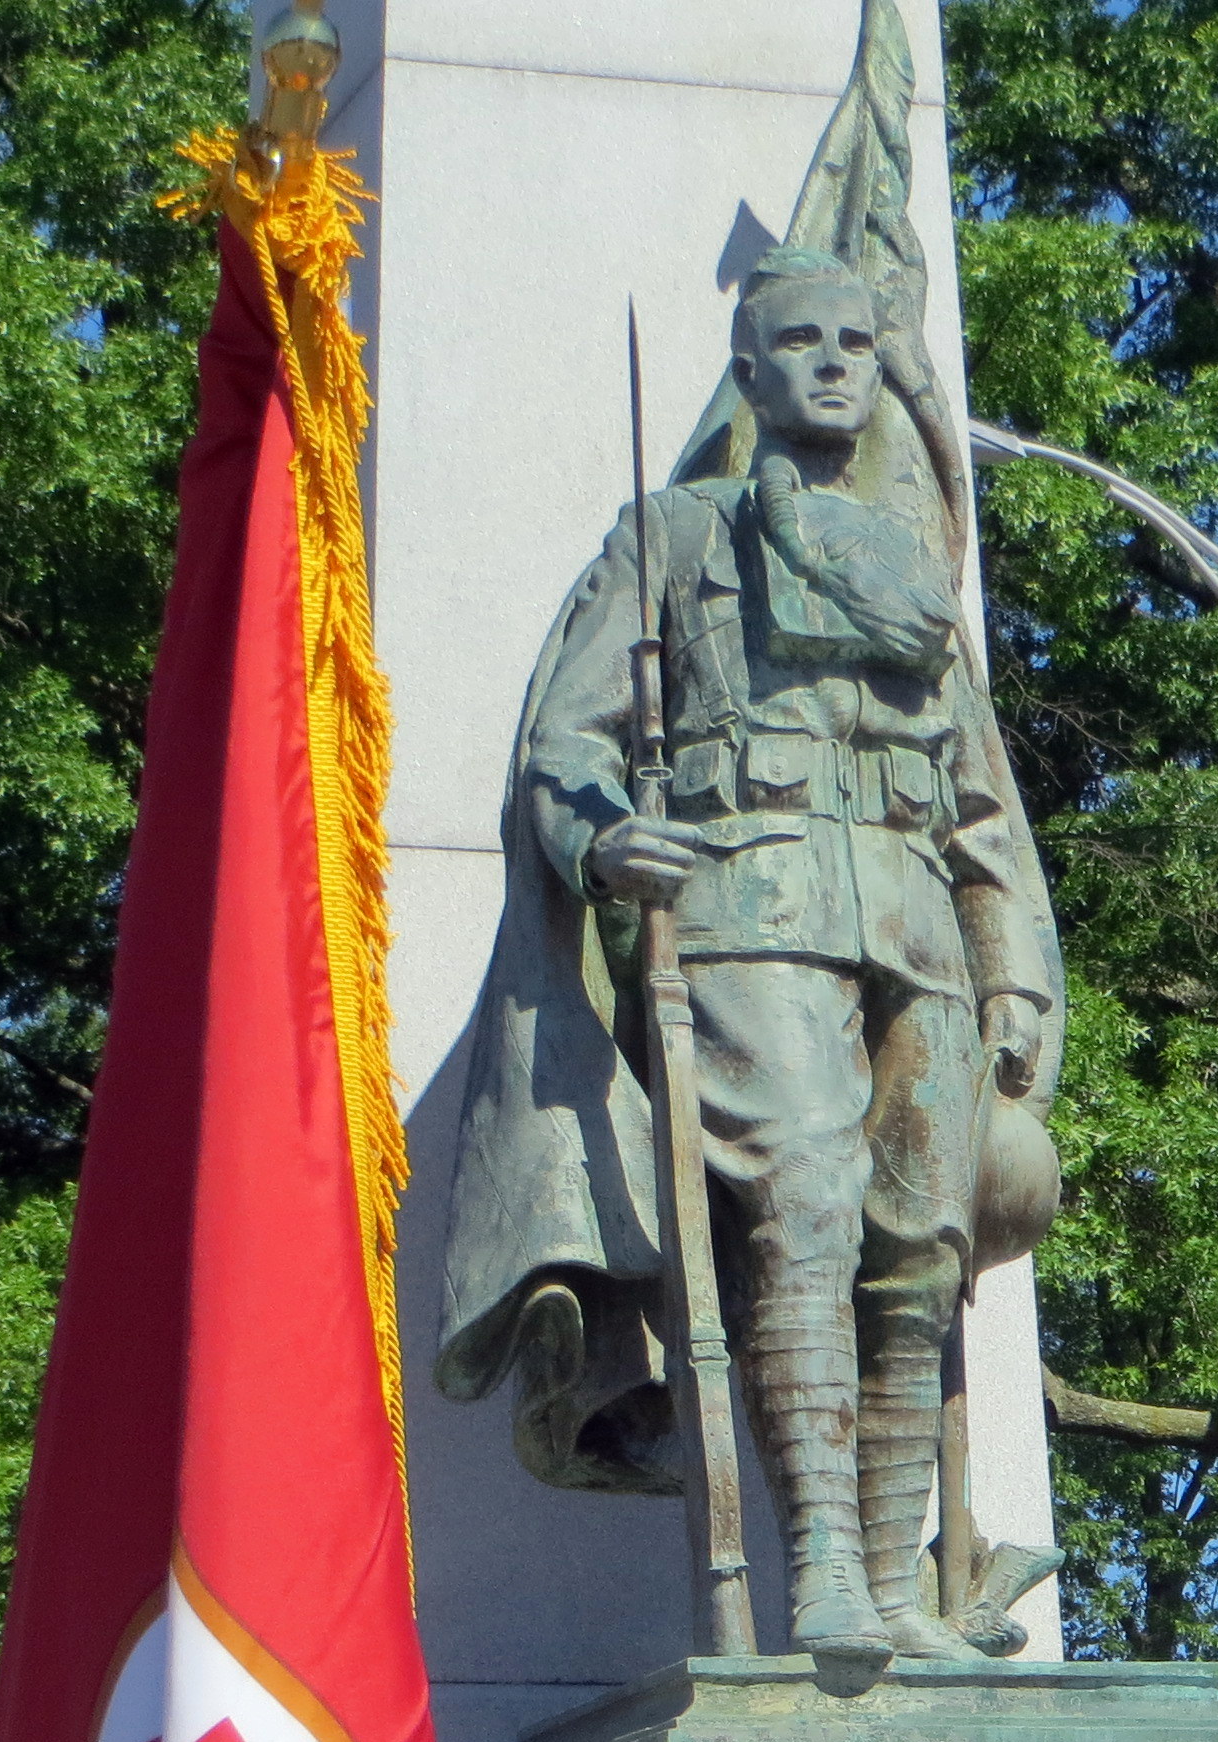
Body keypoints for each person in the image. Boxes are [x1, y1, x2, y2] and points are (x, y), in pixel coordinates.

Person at [438, 247, 1066, 1664]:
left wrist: (1014, 974)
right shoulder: (671, 538)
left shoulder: (911, 573)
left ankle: (904, 1592)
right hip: (748, 908)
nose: (838, 361)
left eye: (861, 338)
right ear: (754, 367)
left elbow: (981, 804)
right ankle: (829, 1573)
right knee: (806, 1198)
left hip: (912, 926)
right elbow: (565, 742)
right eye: (804, 340)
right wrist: (603, 838)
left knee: (922, 1242)